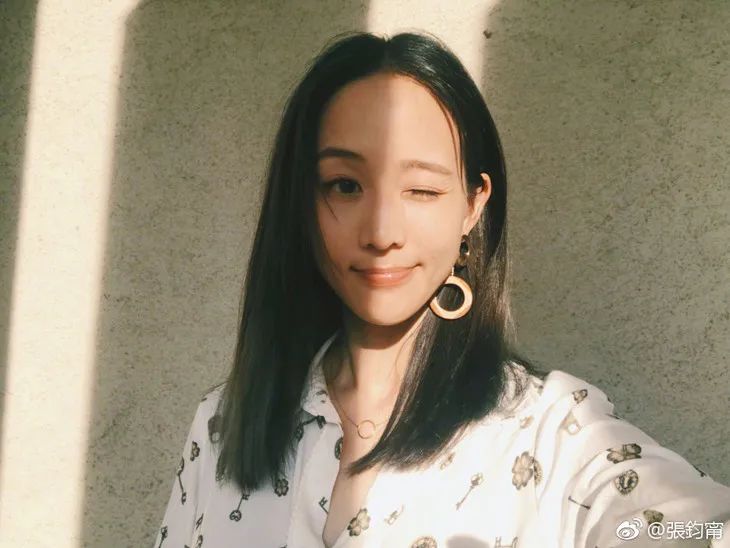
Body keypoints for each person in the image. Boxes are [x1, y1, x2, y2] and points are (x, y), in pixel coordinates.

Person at [153, 31, 730, 548]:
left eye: (422, 190)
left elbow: (701, 528)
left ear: (472, 207)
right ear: (302, 202)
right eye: (345, 185)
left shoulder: (550, 432)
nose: (382, 232)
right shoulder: (223, 423)